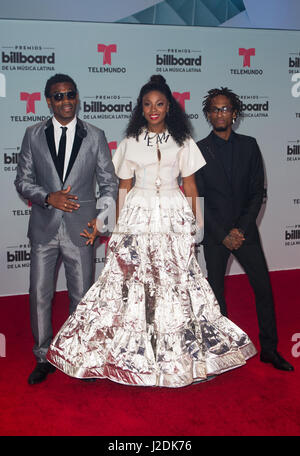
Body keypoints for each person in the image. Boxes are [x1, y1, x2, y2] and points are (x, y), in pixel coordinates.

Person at [47, 75, 257, 388]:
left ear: (168, 106)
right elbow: (123, 187)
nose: (153, 109)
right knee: (134, 283)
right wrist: (111, 225)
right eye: (147, 104)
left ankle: (184, 358)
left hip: (173, 215)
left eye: (159, 104)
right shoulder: (131, 142)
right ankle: (132, 357)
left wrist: (196, 229)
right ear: (141, 109)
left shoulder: (183, 140)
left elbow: (190, 185)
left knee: (177, 285)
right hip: (139, 215)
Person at [15, 73, 118, 385]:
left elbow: (109, 183)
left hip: (81, 229)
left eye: (71, 94)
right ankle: (43, 356)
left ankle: (77, 356)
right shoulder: (32, 134)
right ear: (49, 101)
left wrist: (102, 223)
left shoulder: (95, 135)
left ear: (77, 97)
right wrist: (48, 197)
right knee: (39, 295)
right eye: (58, 96)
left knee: (82, 295)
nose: (66, 101)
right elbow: (22, 180)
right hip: (44, 228)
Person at [195, 87, 294, 372]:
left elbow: (257, 193)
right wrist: (223, 233)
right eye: (214, 109)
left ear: (234, 114)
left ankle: (270, 350)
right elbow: (198, 200)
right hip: (215, 235)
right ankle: (221, 352)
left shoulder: (250, 145)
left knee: (263, 288)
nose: (219, 113)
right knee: (216, 294)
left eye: (225, 108)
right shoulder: (198, 150)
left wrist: (240, 229)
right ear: (207, 115)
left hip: (245, 232)